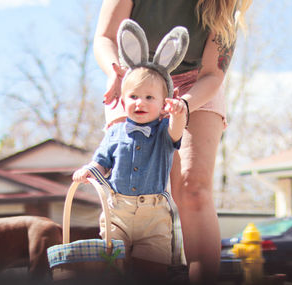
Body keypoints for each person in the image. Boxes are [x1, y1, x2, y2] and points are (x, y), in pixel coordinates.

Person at [93, 0, 252, 284]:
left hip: (194, 85)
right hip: (133, 80)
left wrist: (183, 106)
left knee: (193, 188)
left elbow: (213, 74)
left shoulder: (224, 5)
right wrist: (115, 73)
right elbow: (105, 37)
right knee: (128, 186)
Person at [73, 20, 189, 282]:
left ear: (163, 105)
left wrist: (179, 112)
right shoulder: (115, 131)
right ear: (123, 101)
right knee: (114, 268)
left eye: (150, 98)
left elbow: (177, 129)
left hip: (153, 216)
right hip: (118, 213)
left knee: (151, 271)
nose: (141, 102)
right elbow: (101, 161)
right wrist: (89, 171)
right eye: (134, 96)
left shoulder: (164, 131)